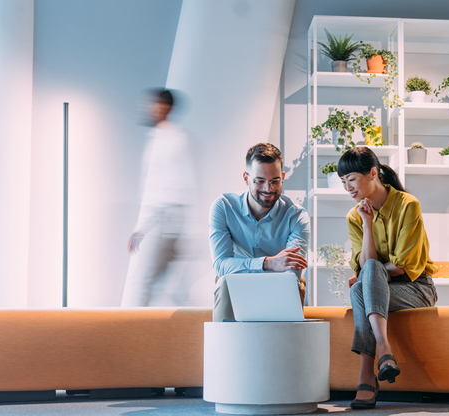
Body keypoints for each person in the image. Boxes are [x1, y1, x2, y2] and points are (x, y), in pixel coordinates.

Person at [338, 146, 438, 410]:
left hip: (416, 289)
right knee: (365, 281)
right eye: (343, 181)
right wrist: (367, 224)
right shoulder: (354, 216)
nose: (347, 187)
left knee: (363, 284)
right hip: (382, 291)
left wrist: (370, 275)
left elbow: (405, 266)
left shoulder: (408, 205)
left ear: (373, 173)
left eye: (352, 179)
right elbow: (365, 264)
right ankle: (384, 355)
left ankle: (366, 376)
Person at [209, 143, 309, 322]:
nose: (268, 189)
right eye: (259, 181)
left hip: (279, 286)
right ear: (246, 178)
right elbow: (221, 265)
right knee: (224, 281)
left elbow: (290, 274)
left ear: (283, 177)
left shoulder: (297, 215)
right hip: (235, 285)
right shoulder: (223, 207)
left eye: (275, 181)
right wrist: (267, 263)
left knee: (296, 285)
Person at [122, 88, 196, 307]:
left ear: (166, 108)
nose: (149, 109)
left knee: (147, 281)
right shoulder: (165, 138)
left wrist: (141, 228)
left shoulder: (170, 141)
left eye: (154, 105)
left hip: (167, 219)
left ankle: (138, 334)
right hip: (169, 220)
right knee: (166, 284)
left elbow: (163, 188)